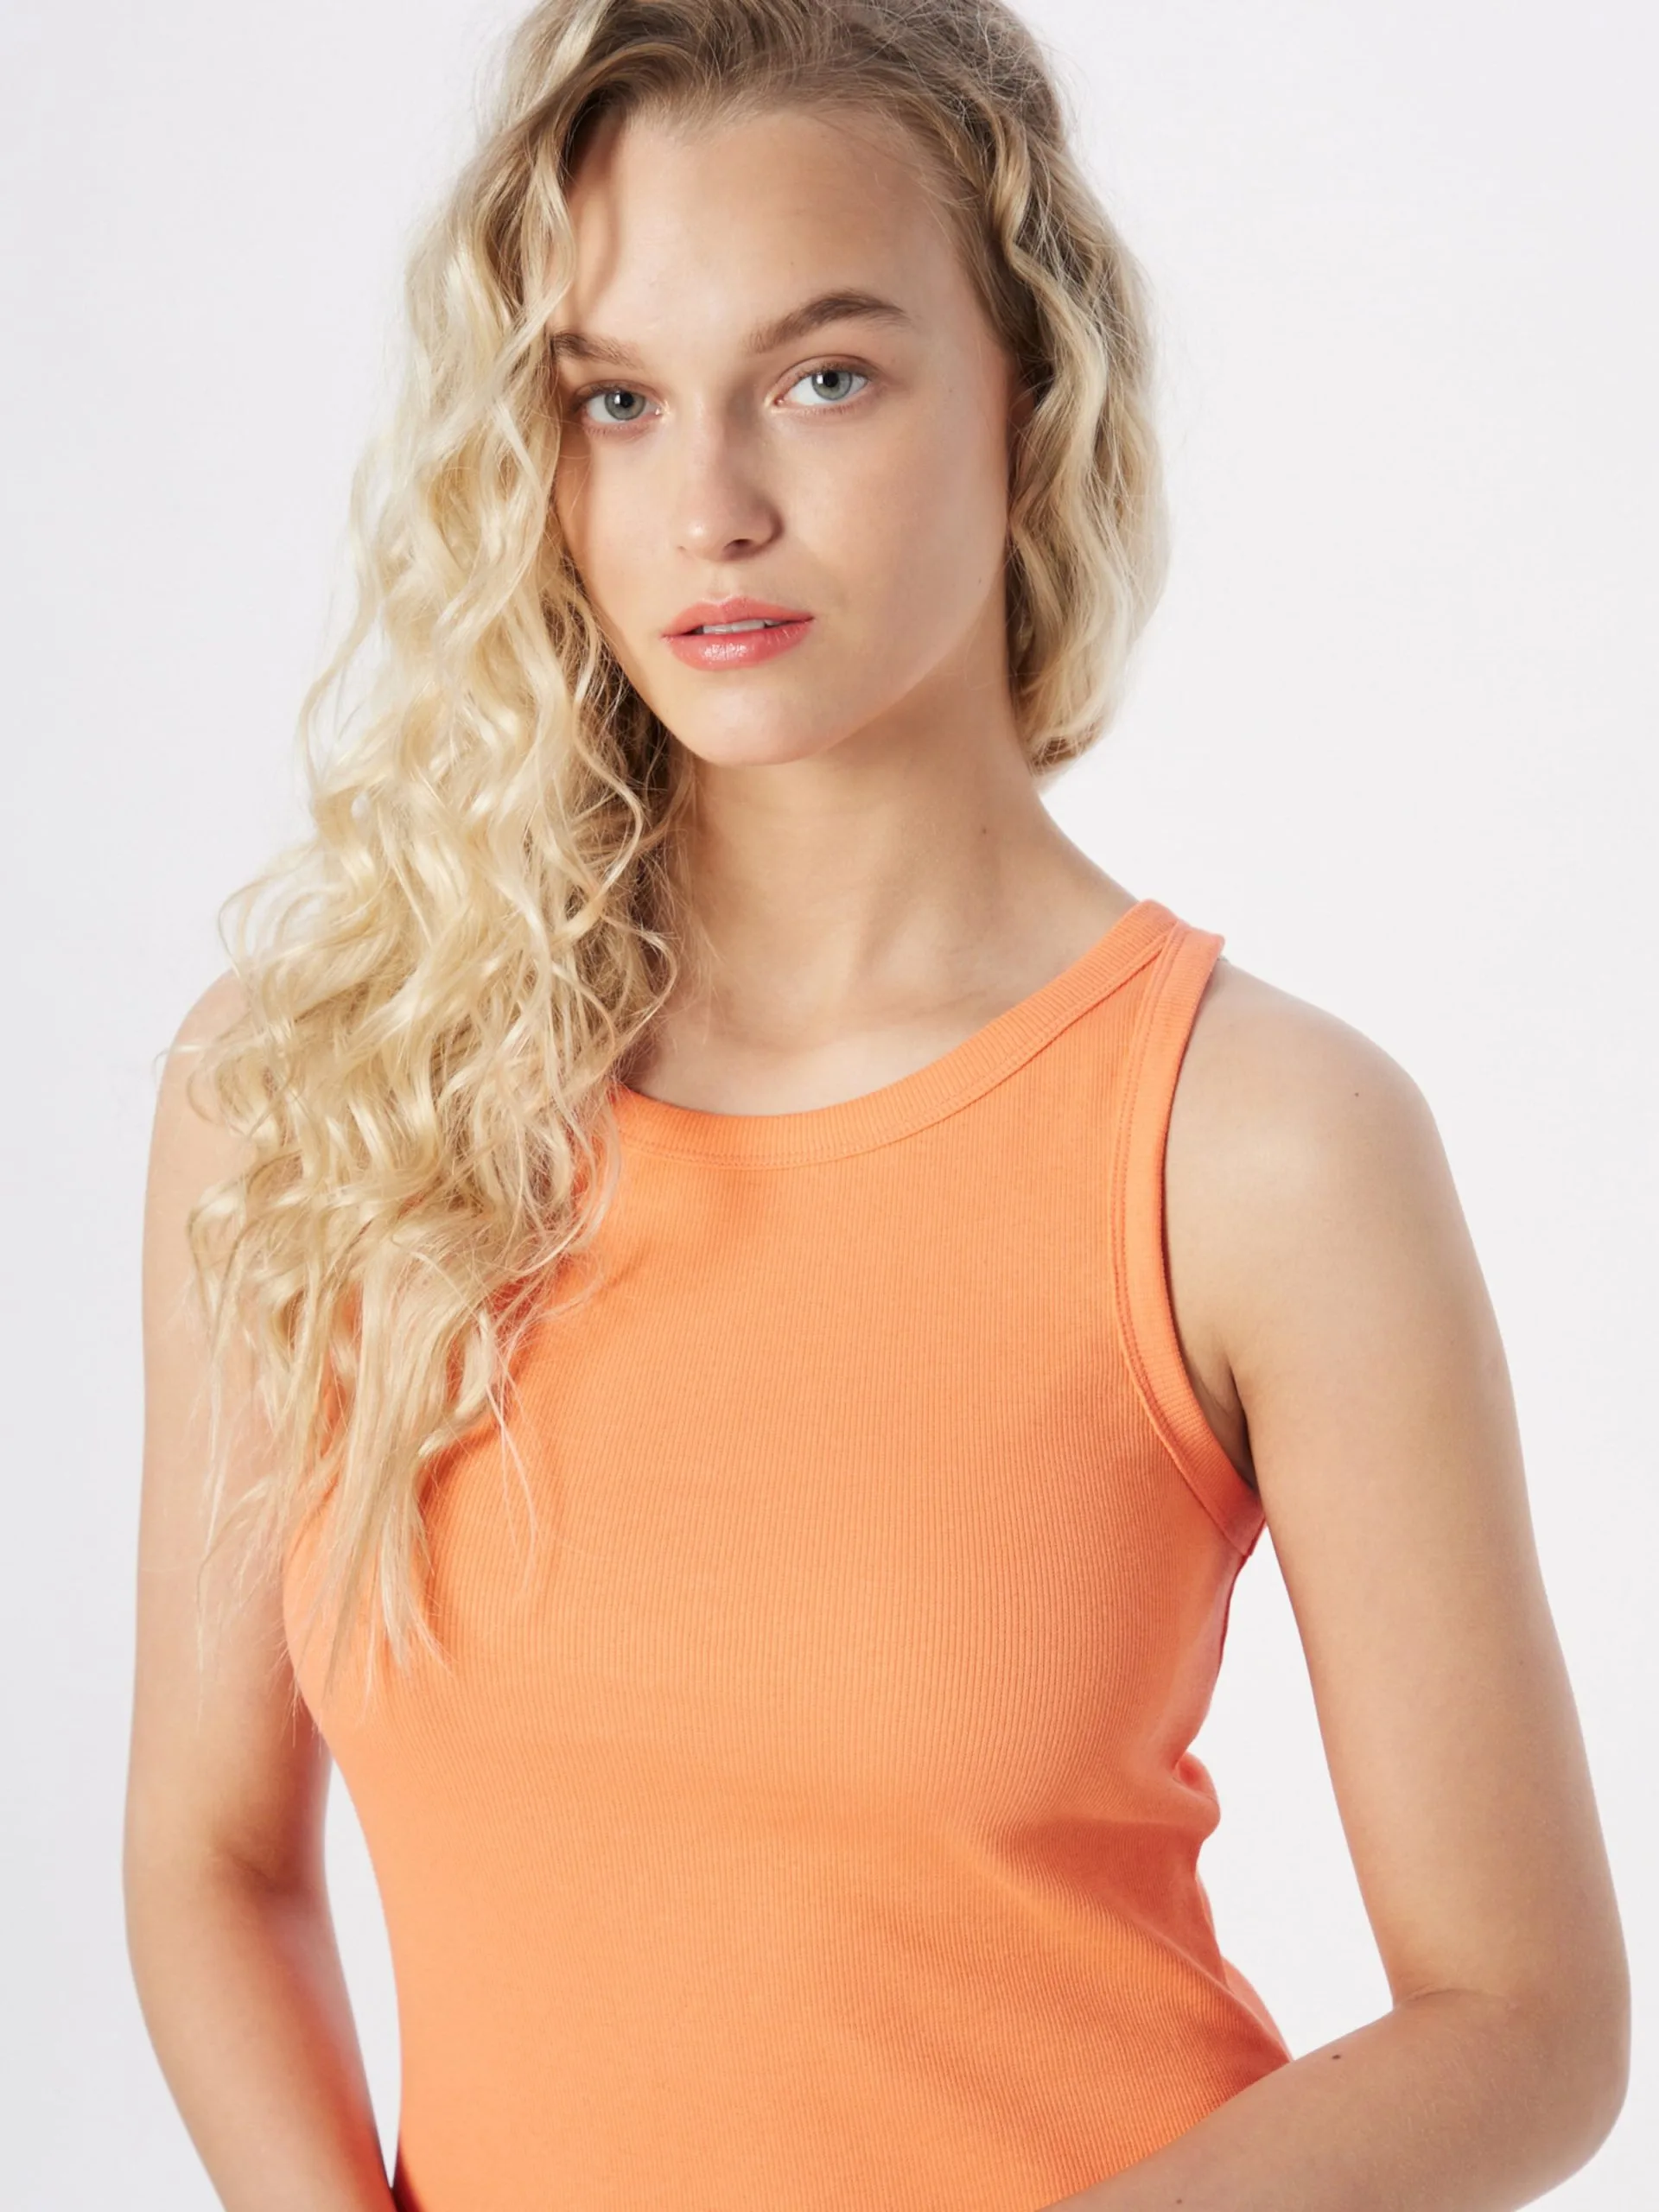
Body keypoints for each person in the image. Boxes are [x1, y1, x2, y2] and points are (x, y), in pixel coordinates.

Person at [123, 3, 1629, 2209]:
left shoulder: (1256, 1141)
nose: (711, 510)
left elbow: (1527, 2016)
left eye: (823, 378)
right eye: (617, 401)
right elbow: (212, 1857)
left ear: (1033, 392)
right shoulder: (318, 1097)